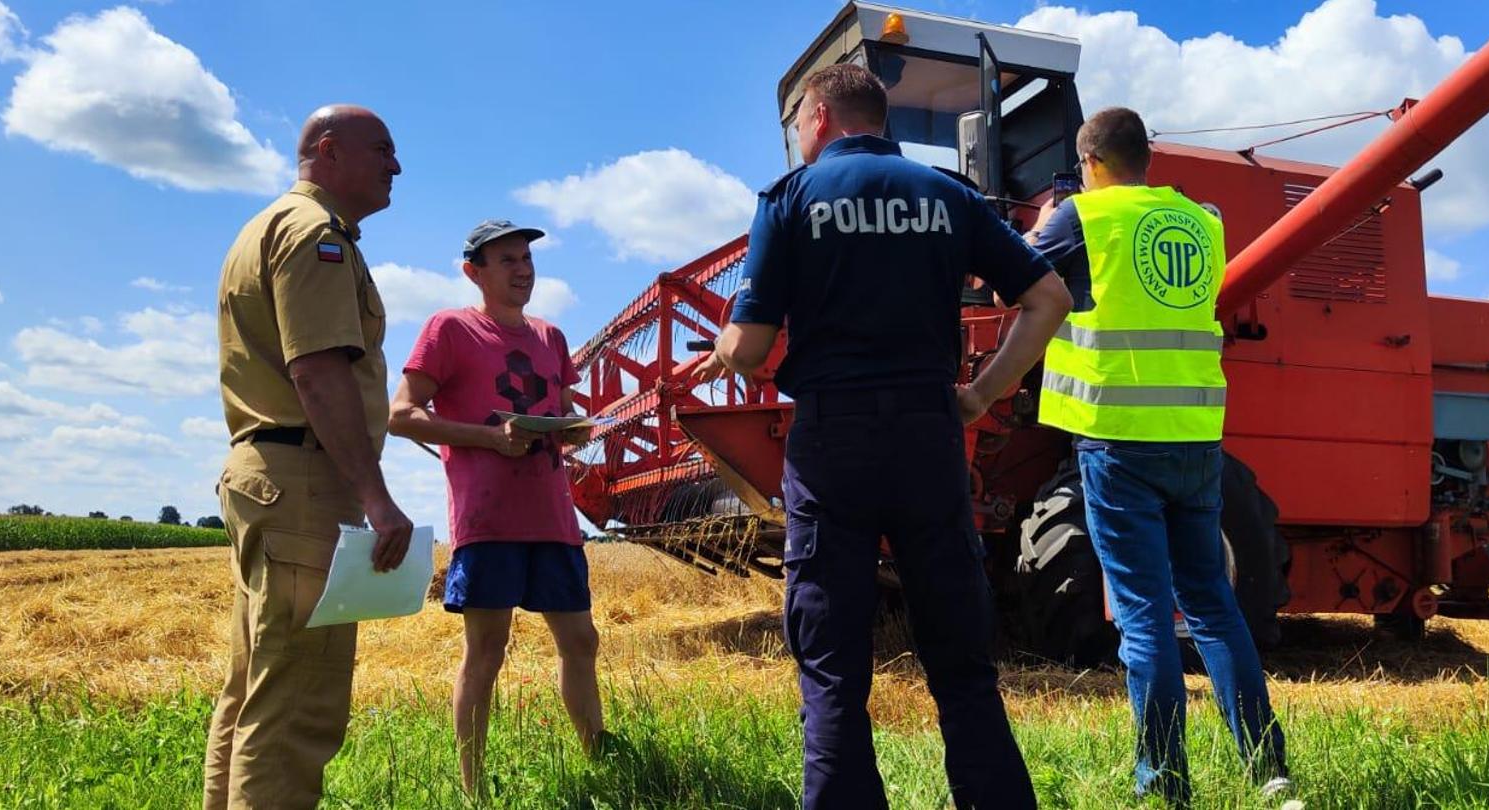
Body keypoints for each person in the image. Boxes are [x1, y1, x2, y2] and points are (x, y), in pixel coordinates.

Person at [694, 63, 1072, 810]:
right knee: (961, 658)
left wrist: (724, 346)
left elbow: (750, 345)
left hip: (833, 443)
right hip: (928, 438)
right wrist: (980, 395)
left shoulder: (790, 199)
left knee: (832, 666)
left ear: (820, 117)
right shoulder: (949, 196)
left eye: (798, 123)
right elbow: (1049, 297)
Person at [1025, 106, 1292, 807]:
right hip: (1195, 439)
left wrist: (1045, 222)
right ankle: (1270, 771)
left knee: (1144, 616)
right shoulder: (1202, 223)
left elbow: (1015, 283)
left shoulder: (1082, 217)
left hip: (1119, 441)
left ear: (1089, 163)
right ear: (1147, 159)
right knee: (1214, 608)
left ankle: (1165, 785)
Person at [204, 104, 411, 810]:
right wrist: (376, 498)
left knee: (253, 691)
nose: (395, 166)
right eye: (381, 149)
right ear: (328, 151)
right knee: (296, 707)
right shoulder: (315, 234)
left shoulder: (266, 227)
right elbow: (318, 371)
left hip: (265, 475)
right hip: (304, 483)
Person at [387, 220, 605, 800]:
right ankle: (474, 790)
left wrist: (574, 427)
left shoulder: (551, 337)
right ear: (473, 272)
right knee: (487, 650)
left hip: (553, 516)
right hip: (487, 521)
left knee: (582, 641)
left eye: (527, 259)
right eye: (507, 260)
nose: (523, 270)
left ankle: (600, 765)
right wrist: (489, 439)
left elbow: (564, 410)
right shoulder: (450, 329)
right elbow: (401, 414)